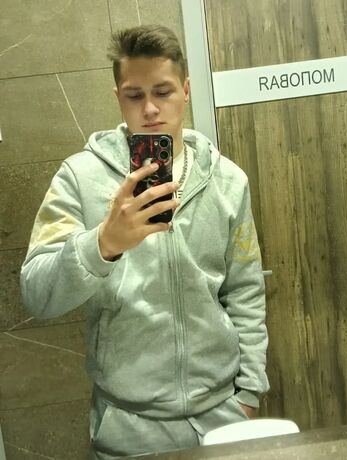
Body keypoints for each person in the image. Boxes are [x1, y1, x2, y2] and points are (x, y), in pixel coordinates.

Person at [20, 25, 269, 459]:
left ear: (186, 91)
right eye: (135, 95)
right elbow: (37, 295)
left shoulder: (228, 180)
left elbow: (245, 289)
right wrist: (103, 244)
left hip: (223, 413)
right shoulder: (79, 178)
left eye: (163, 92)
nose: (150, 108)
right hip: (128, 426)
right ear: (118, 96)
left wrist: (248, 392)